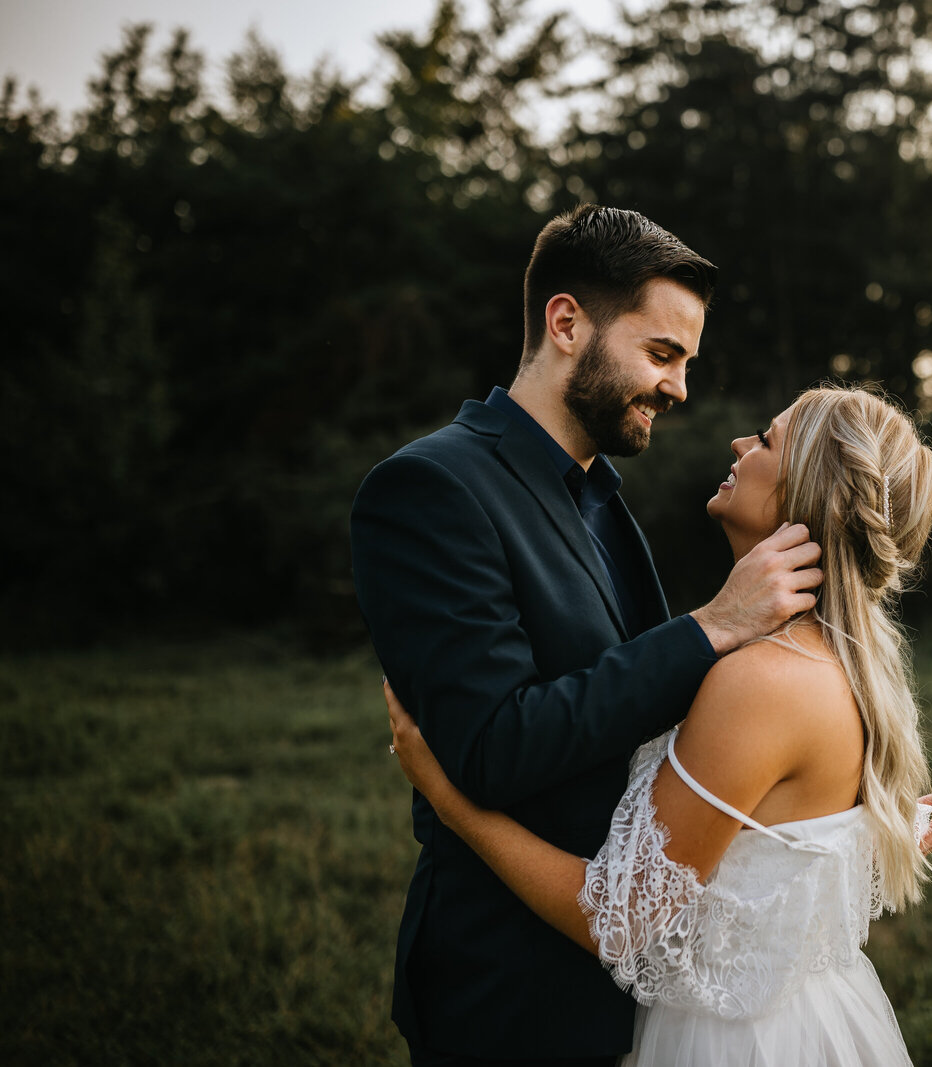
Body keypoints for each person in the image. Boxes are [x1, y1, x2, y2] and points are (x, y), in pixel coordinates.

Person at [350, 204, 830, 1066]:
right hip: (511, 986)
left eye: (685, 360)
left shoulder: (598, 493)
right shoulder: (429, 489)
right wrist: (713, 625)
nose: (680, 387)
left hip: (622, 968)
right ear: (566, 322)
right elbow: (492, 747)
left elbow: (651, 720)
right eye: (661, 353)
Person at [385, 384, 932, 1066]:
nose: (740, 444)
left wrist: (450, 799)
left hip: (740, 1043)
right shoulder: (846, 662)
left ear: (810, 495)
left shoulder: (762, 680)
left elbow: (618, 921)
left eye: (766, 440)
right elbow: (777, 834)